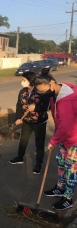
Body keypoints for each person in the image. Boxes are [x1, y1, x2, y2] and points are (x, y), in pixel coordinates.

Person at [35, 69, 77, 210]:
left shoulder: (67, 100)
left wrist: (53, 140)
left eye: (44, 91)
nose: (43, 94)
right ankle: (60, 188)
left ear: (52, 83)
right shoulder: (56, 93)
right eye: (40, 92)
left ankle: (68, 198)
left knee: (71, 169)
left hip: (74, 139)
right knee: (60, 161)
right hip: (65, 138)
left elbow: (65, 127)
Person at [9, 72, 50, 175]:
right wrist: (18, 118)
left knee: (39, 143)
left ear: (30, 80)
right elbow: (19, 105)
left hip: (39, 121)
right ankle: (19, 157)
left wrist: (36, 108)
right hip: (27, 121)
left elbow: (47, 106)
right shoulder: (23, 92)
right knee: (23, 140)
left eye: (24, 80)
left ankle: (38, 165)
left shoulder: (41, 91)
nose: (22, 82)